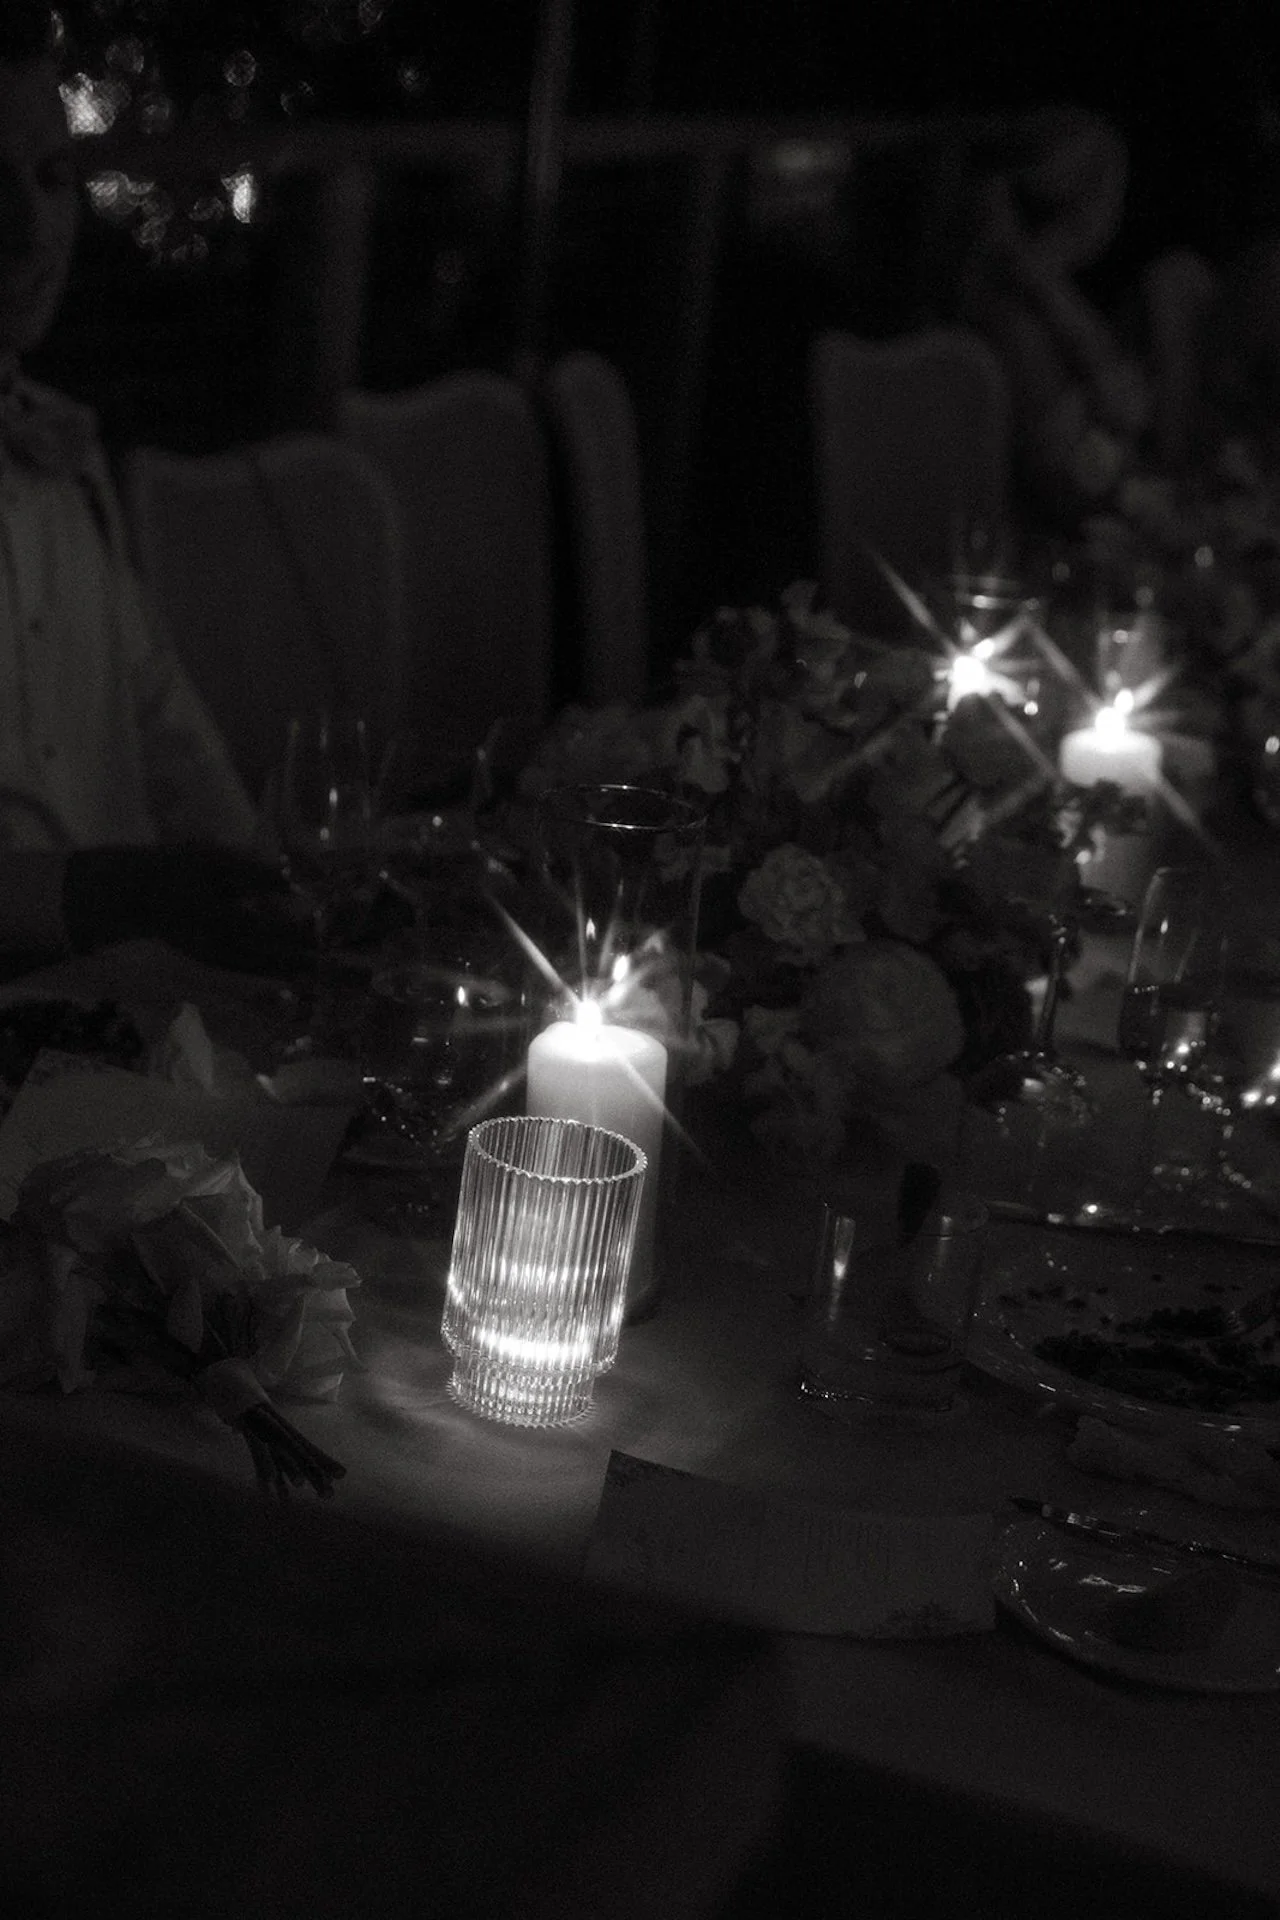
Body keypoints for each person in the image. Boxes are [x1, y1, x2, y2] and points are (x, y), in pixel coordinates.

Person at [0, 4, 305, 973]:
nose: (27, 228)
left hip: (130, 1035)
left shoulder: (59, 456)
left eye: (50, 179)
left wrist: (273, 891)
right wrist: (111, 895)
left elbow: (159, 717)